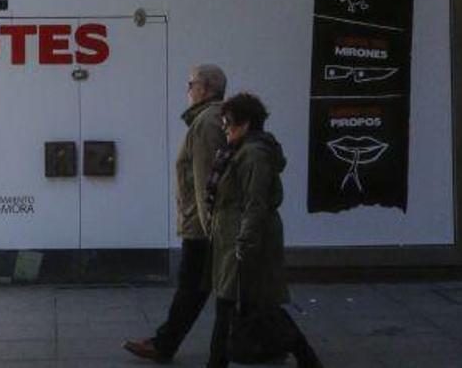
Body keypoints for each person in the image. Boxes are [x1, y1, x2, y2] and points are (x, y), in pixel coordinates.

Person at [206, 92, 323, 368]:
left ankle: (217, 362)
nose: (224, 127)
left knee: (241, 303)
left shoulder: (254, 155)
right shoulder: (236, 150)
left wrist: (245, 243)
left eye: (228, 122)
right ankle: (306, 357)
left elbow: (255, 203)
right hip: (234, 236)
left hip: (246, 238)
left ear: (245, 123)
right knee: (250, 302)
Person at [122, 64, 227, 362]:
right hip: (205, 223)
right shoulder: (211, 119)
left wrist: (208, 226)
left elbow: (208, 179)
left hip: (202, 226)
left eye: (190, 83)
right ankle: (164, 341)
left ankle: (164, 344)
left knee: (192, 287)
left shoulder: (207, 123)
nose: (187, 89)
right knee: (221, 290)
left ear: (205, 89)